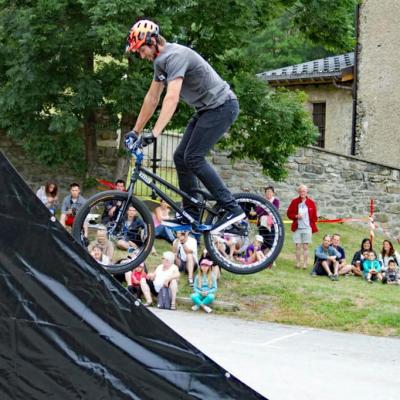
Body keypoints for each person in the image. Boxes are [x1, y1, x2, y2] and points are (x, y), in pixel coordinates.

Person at [125, 19, 245, 233]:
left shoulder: (175, 56)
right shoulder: (160, 63)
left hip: (223, 106)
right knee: (181, 157)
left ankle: (232, 209)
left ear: (153, 42)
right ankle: (191, 213)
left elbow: (171, 99)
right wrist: (135, 131)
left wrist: (154, 133)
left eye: (141, 49)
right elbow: (152, 98)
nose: (141, 55)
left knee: (193, 157)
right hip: (206, 110)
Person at [287, 184, 318, 269]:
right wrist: (296, 216)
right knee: (298, 246)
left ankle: (305, 264)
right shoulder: (294, 202)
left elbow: (315, 216)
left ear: (307, 192)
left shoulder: (311, 203)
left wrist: (311, 224)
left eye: (304, 191)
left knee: (305, 246)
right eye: (300, 191)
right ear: (298, 192)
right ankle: (297, 263)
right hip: (297, 228)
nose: (302, 193)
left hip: (307, 228)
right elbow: (289, 214)